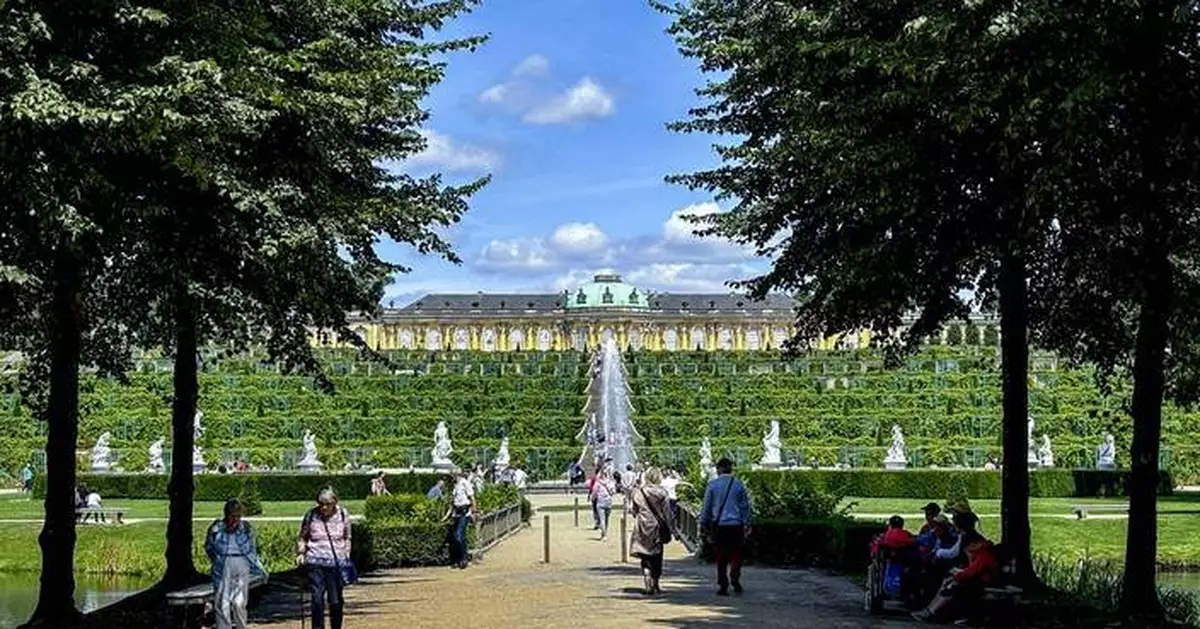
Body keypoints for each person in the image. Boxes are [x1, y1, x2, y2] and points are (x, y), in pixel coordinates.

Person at [911, 530, 999, 623]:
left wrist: (957, 574)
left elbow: (971, 571)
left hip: (985, 582)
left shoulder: (983, 555)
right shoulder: (979, 553)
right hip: (978, 580)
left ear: (973, 544)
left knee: (951, 586)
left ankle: (931, 612)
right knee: (948, 582)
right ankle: (930, 610)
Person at [205, 499, 268, 629]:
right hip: (223, 563)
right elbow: (209, 547)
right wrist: (216, 559)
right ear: (226, 515)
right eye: (232, 516)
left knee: (239, 602)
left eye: (238, 516)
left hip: (241, 562)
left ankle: (241, 626)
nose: (235, 520)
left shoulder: (246, 528)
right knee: (222, 602)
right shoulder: (217, 528)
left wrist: (257, 567)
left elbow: (252, 548)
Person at [298, 488, 352, 629]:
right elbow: (302, 537)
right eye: (321, 504)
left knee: (335, 601)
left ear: (335, 502)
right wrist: (301, 552)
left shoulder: (342, 514)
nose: (324, 507)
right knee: (316, 599)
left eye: (327, 504)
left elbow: (347, 537)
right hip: (315, 562)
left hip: (336, 563)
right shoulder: (311, 515)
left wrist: (346, 554)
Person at [699, 458, 752, 596]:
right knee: (737, 553)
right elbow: (745, 507)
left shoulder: (712, 485)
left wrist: (704, 523)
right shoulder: (738, 484)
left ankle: (723, 584)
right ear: (730, 468)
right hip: (736, 524)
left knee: (721, 556)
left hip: (720, 525)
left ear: (719, 469)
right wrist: (747, 523)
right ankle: (735, 574)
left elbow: (707, 507)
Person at [629, 467, 673, 595]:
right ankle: (656, 583)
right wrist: (672, 528)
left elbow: (634, 511)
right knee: (657, 555)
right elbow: (667, 513)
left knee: (645, 555)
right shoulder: (663, 493)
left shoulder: (638, 492)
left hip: (642, 526)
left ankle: (647, 578)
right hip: (657, 528)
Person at [448, 469, 478, 569]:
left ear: (457, 475)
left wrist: (474, 512)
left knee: (459, 535)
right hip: (456, 513)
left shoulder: (465, 483)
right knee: (456, 537)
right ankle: (458, 559)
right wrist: (450, 514)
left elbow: (472, 498)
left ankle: (463, 558)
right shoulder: (455, 486)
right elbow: (453, 502)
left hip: (464, 513)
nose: (451, 477)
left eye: (452, 475)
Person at [592, 471, 615, 541]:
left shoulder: (598, 483)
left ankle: (604, 535)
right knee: (607, 519)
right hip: (608, 502)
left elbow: (594, 492)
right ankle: (604, 533)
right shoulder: (611, 483)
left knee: (602, 519)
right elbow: (613, 492)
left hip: (600, 502)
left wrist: (593, 498)